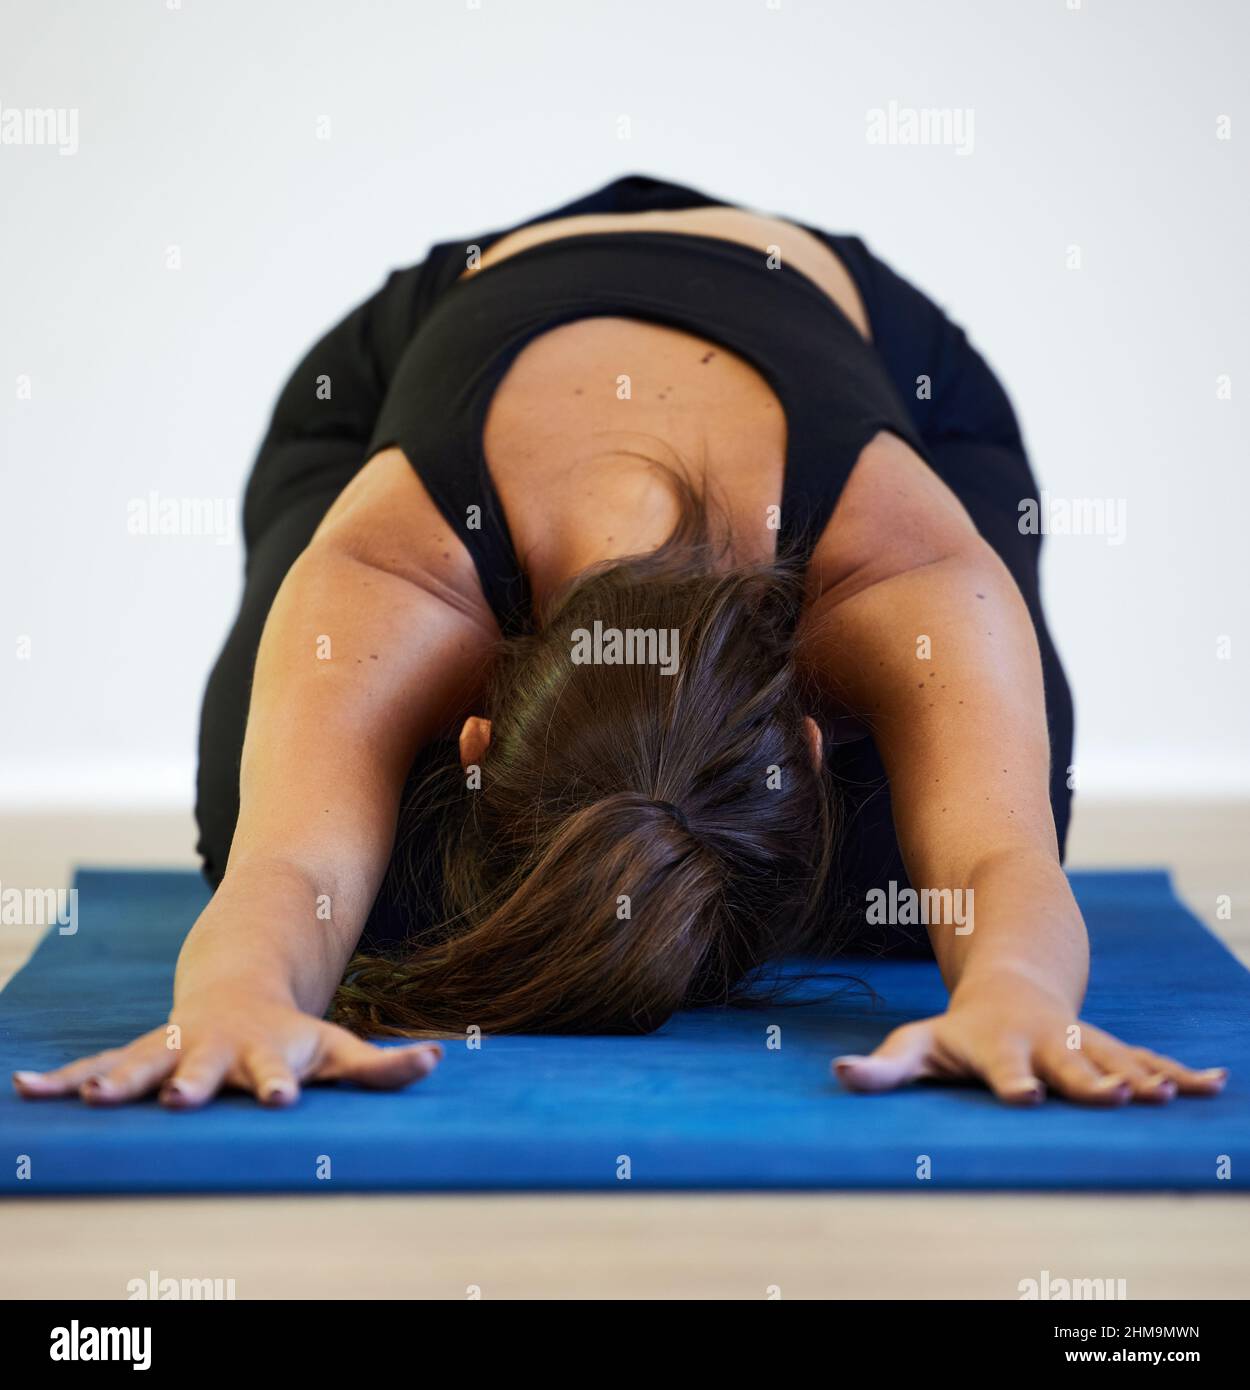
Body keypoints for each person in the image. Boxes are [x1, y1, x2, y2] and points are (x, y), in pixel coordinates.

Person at [13, 175, 1226, 1110]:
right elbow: (285, 868)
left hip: (892, 373)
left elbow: (998, 863)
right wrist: (233, 998)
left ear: (813, 732)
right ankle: (597, 870)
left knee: (933, 856)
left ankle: (676, 868)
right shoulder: (394, 568)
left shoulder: (899, 564)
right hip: (402, 372)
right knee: (281, 833)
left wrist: (1012, 998)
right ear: (472, 730)